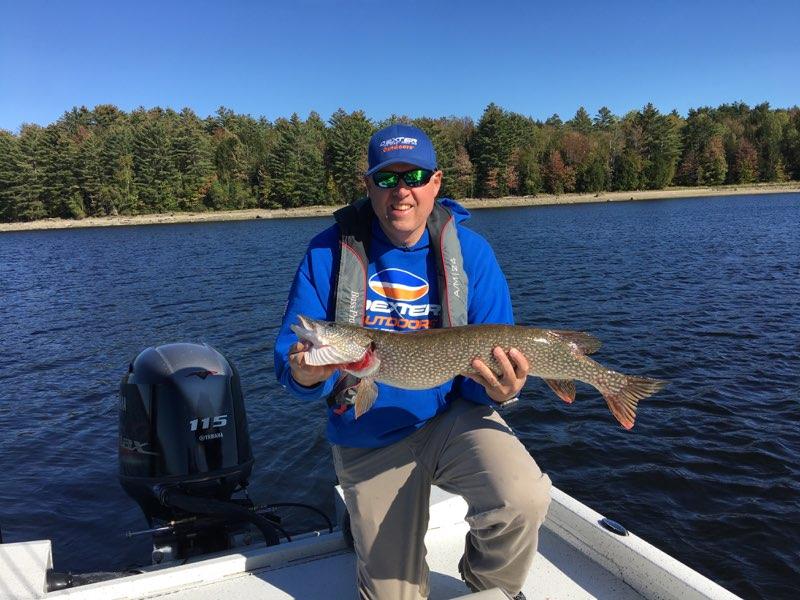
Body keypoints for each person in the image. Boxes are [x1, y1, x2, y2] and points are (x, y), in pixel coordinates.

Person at [274, 123, 551, 600]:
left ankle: (490, 586)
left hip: (451, 420)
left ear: (436, 183)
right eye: (386, 179)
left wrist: (504, 390)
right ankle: (369, 539)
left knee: (524, 496)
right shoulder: (328, 252)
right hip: (367, 435)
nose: (401, 191)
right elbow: (290, 362)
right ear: (368, 185)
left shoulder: (473, 254)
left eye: (414, 177)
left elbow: (482, 382)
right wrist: (303, 371)